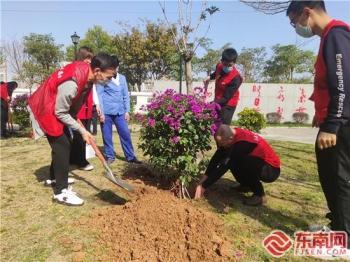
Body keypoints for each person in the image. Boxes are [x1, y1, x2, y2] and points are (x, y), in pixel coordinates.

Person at [286, 0, 350, 248]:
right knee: (329, 176)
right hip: (329, 119)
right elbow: (327, 83)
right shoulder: (327, 38)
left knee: (340, 178)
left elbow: (343, 83)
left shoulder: (336, 34)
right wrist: (320, 113)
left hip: (341, 125)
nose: (297, 27)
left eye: (295, 22)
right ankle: (337, 226)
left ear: (307, 12)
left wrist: (332, 124)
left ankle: (344, 242)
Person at [28, 53, 117, 206]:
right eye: (108, 77)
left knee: (64, 143)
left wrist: (82, 129)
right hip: (44, 107)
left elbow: (72, 111)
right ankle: (61, 192)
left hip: (54, 107)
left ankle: (55, 177)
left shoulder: (88, 80)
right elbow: (60, 112)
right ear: (97, 71)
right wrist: (82, 131)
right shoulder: (73, 81)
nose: (109, 81)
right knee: (62, 145)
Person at [194, 124, 280, 206]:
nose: (220, 147)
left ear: (230, 139)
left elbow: (224, 166)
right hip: (258, 163)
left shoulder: (243, 143)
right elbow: (217, 156)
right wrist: (205, 177)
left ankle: (259, 195)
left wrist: (204, 186)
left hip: (270, 170)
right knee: (233, 159)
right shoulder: (232, 134)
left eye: (222, 144)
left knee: (236, 160)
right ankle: (246, 185)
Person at [96, 56, 141, 165]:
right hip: (106, 112)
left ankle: (130, 157)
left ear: (117, 68)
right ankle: (110, 156)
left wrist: (127, 110)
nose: (112, 70)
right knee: (107, 135)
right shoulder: (103, 78)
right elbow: (99, 95)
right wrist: (101, 112)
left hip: (120, 112)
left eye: (114, 68)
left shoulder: (122, 78)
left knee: (125, 134)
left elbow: (126, 95)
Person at [69, 46, 97, 171]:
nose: (89, 61)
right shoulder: (75, 70)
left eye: (91, 58)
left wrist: (96, 105)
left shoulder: (90, 73)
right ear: (80, 58)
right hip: (76, 109)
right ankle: (80, 161)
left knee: (81, 135)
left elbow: (92, 91)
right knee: (79, 135)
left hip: (86, 108)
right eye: (87, 58)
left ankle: (74, 159)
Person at [203, 48, 243, 125]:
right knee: (212, 124)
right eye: (225, 64)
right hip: (217, 99)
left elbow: (225, 98)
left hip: (228, 104)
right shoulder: (219, 66)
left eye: (230, 65)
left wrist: (210, 104)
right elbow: (216, 73)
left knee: (222, 128)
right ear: (221, 61)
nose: (227, 67)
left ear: (234, 63)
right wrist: (209, 77)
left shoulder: (236, 78)